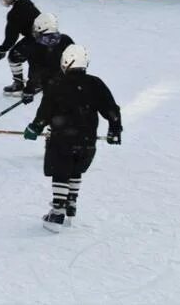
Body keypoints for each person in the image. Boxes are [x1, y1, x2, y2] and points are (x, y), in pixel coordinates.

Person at [23, 44, 122, 232]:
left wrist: (34, 128)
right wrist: (115, 130)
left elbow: (45, 112)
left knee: (61, 172)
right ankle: (71, 203)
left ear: (65, 62)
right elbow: (111, 109)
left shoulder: (56, 84)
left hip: (62, 140)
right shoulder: (96, 83)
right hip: (87, 141)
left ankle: (57, 212)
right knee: (76, 170)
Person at [0, 0, 41, 96]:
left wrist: (1, 50)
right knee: (35, 58)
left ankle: (20, 84)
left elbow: (11, 37)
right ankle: (38, 82)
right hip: (45, 36)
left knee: (14, 56)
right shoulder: (25, 1)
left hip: (35, 38)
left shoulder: (14, 13)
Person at [19, 13, 75, 105]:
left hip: (52, 85)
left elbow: (35, 71)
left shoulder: (35, 46)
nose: (34, 31)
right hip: (69, 83)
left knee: (52, 108)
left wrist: (29, 90)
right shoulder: (66, 39)